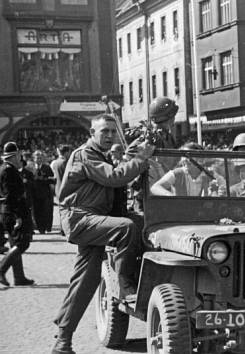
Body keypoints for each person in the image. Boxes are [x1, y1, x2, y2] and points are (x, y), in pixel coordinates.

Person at [51, 114, 155, 354]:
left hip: (94, 219)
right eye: (103, 131)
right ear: (92, 134)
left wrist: (130, 156)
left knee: (85, 282)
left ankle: (63, 338)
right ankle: (123, 284)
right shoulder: (84, 155)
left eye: (111, 131)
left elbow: (115, 177)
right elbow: (114, 177)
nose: (109, 135)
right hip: (81, 218)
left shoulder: (101, 156)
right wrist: (140, 158)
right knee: (126, 228)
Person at [0, 142, 35, 287]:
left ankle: (19, 277)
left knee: (15, 243)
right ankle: (1, 269)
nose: (20, 157)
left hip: (7, 211)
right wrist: (17, 216)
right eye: (19, 155)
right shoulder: (9, 171)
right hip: (14, 212)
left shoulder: (5, 169)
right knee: (22, 243)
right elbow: (12, 195)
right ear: (14, 156)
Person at [151, 142, 223, 197]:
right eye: (183, 156)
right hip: (181, 213)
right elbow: (155, 188)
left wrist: (219, 192)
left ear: (200, 158)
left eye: (189, 156)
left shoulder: (211, 175)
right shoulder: (177, 173)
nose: (184, 159)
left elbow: (225, 190)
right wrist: (172, 197)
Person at [31, 150, 55, 234]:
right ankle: (38, 226)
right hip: (34, 193)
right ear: (34, 159)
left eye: (40, 158)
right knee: (36, 211)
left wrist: (45, 179)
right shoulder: (31, 168)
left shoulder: (47, 167)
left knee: (45, 211)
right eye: (37, 158)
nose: (39, 159)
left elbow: (52, 179)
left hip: (45, 193)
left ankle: (43, 227)